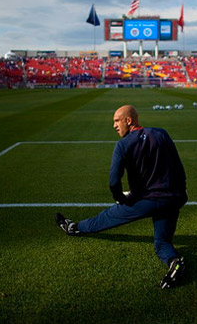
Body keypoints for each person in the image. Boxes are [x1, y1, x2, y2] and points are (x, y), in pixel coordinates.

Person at [55, 105, 188, 288]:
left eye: (117, 121)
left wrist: (122, 198)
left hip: (145, 200)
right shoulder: (161, 134)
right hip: (171, 199)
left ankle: (73, 227)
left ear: (129, 120)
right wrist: (182, 194)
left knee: (105, 217)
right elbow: (178, 168)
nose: (114, 126)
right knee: (162, 243)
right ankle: (174, 262)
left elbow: (113, 181)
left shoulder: (123, 145)